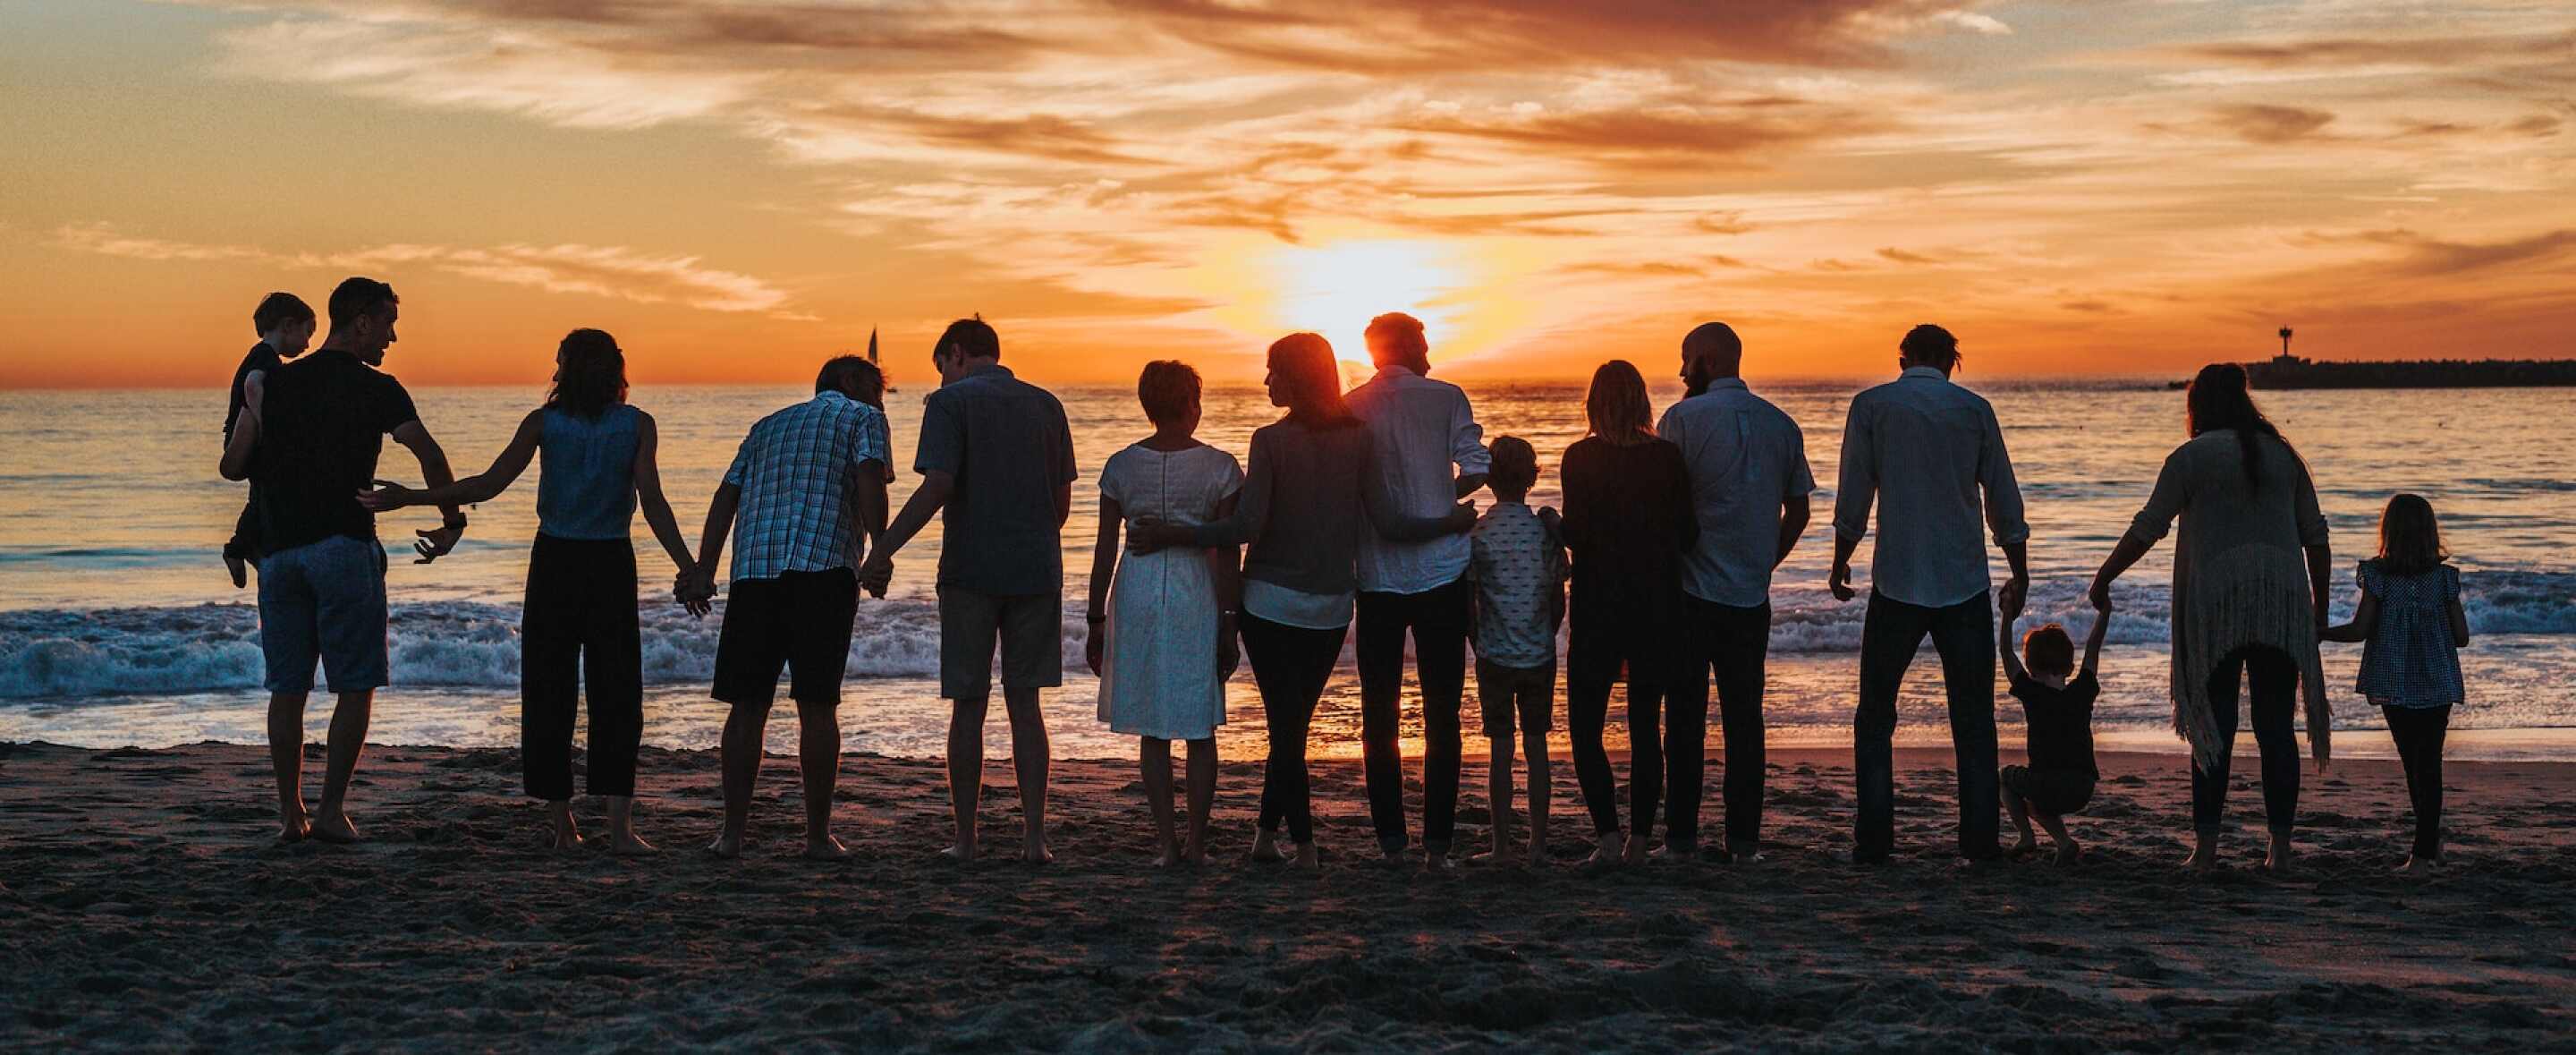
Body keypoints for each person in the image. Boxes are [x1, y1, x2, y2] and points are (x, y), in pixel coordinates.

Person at [1127, 333, 1471, 874]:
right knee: (1292, 725)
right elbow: (1390, 523)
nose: (1266, 382)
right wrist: (1448, 521)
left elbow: (1243, 527)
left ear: (1297, 377)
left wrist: (1171, 532)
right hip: (1332, 608)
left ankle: (1306, 849)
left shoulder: (1268, 440)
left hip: (1268, 604)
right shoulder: (1359, 438)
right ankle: (1267, 837)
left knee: (1287, 729)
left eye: (1273, 372)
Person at [359, 329, 697, 854]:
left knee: (549, 691)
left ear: (568, 369)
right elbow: (652, 502)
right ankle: (619, 830)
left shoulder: (547, 423)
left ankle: (565, 826)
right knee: (617, 694)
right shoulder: (635, 424)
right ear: (615, 370)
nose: (555, 368)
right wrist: (688, 565)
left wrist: (416, 498)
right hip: (608, 562)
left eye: (559, 361)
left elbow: (488, 485)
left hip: (558, 562)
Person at [218, 277, 467, 844]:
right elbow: (429, 453)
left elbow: (238, 465)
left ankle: (291, 816)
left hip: (279, 555)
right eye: (387, 324)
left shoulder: (273, 383)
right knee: (354, 686)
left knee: (288, 689)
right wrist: (452, 522)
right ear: (361, 322)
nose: (393, 337)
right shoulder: (378, 388)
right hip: (343, 549)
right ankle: (329, 811)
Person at [2089, 362, 2330, 873]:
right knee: (2275, 730)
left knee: (2212, 726)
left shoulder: (2191, 458)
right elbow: (2316, 536)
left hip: (2215, 608)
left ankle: (2206, 849)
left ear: (2198, 405)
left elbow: (2147, 527)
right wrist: (2318, 609)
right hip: (2280, 606)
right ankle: (2280, 850)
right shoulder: (2284, 457)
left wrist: (2105, 575)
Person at [860, 318, 1076, 865]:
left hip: (971, 570)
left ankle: (967, 839)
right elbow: (1062, 509)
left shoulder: (948, 404)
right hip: (1036, 570)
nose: (943, 378)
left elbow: (938, 485)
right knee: (1026, 707)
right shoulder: (1047, 405)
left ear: (956, 355)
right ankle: (1034, 840)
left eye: (942, 368)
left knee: (968, 705)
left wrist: (882, 548)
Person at [1830, 324, 2029, 864]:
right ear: (1951, 361)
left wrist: (1840, 557)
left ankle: (1874, 841)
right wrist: (2020, 567)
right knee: (1973, 718)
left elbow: (1855, 491)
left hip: (1897, 580)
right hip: (1963, 581)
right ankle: (1980, 841)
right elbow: (2003, 497)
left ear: (1902, 358)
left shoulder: (1872, 406)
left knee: (1875, 716)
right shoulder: (1974, 410)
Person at [678, 356, 891, 860]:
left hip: (755, 572)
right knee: (817, 706)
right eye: (876, 387)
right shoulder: (863, 418)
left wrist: (705, 568)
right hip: (823, 571)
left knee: (747, 706)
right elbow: (868, 477)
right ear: (848, 383)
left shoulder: (766, 425)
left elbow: (725, 497)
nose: (882, 398)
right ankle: (817, 837)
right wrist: (880, 547)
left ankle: (731, 835)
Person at [1656, 321, 1813, 864]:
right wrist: (1766, 560)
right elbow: (1800, 511)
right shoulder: (1781, 424)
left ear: (1710, 360)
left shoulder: (1680, 420)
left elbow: (1662, 509)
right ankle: (1743, 843)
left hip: (1692, 593)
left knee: (1684, 720)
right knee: (1746, 721)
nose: (1680, 371)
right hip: (1750, 594)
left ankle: (1680, 840)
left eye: (1686, 359)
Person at [1344, 311, 1490, 872]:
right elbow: (1478, 466)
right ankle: (1437, 846)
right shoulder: (1447, 397)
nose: (1430, 351)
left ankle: (1390, 843)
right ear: (1410, 344)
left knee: (1377, 713)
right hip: (1441, 574)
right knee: (1442, 712)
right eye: (1425, 341)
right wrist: (1441, 494)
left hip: (1376, 576)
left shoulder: (1353, 406)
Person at [1084, 362, 1242, 868]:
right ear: (1192, 405)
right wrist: (1230, 621)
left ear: (1147, 406)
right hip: (1197, 591)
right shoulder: (1220, 467)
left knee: (1154, 728)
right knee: (1199, 727)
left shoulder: (1121, 466)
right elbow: (1229, 552)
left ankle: (1167, 846)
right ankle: (1196, 845)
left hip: (1138, 591)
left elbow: (1105, 549)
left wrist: (1094, 621)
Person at [1560, 361, 1697, 868]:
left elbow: (1577, 533)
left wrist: (1554, 527)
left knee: (1586, 726)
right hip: (1658, 605)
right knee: (1645, 727)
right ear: (1642, 402)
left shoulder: (1579, 458)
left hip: (1599, 606)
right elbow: (1689, 535)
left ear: (1594, 403)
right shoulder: (1666, 458)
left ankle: (1609, 839)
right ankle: (1640, 841)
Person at [2322, 494, 2469, 872]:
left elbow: (2359, 630)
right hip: (2436, 679)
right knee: (2429, 761)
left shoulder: (2378, 577)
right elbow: (2462, 636)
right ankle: (2429, 846)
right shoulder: (2445, 580)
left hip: (2393, 679)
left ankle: (2422, 853)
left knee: (2412, 762)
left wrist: (2320, 633)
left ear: (2388, 532)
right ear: (2429, 533)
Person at [1465, 437, 1563, 870]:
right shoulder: (1544, 530)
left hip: (1495, 654)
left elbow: (1470, 601)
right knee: (1538, 745)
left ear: (1488, 479)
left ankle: (1502, 845)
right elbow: (1559, 596)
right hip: (1538, 653)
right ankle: (1538, 843)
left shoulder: (1479, 533)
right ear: (1532, 477)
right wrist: (1547, 632)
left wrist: (1477, 641)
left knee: (1501, 750)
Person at [223, 292, 317, 589]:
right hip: (247, 438)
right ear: (288, 326)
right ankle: (239, 549)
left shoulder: (259, 355)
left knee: (260, 495)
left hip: (242, 436)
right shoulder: (266, 358)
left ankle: (243, 548)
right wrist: (266, 425)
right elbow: (253, 385)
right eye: (307, 332)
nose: (308, 343)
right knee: (263, 494)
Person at [1997, 613, 2107, 865]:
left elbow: (2005, 652)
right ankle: (2064, 843)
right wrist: (2105, 610)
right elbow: (2093, 646)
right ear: (2070, 668)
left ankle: (2026, 837)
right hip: (2083, 787)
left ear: (2031, 669)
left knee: (2005, 777)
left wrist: (2007, 616)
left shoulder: (2032, 693)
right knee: (2037, 801)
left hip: (2046, 784)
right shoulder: (2083, 691)